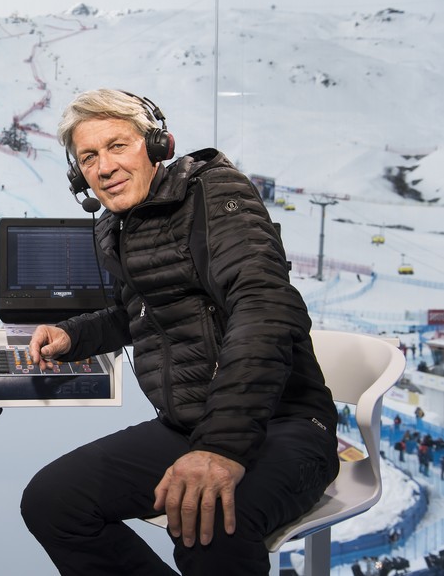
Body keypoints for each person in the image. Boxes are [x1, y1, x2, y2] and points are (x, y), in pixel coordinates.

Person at [20, 89, 339, 576]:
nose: (104, 167)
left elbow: (263, 310)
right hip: (189, 425)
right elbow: (145, 313)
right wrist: (73, 336)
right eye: (89, 157)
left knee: (206, 526)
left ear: (155, 145)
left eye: (117, 146)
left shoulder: (215, 192)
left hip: (282, 422)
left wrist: (220, 448)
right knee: (54, 502)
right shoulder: (119, 227)